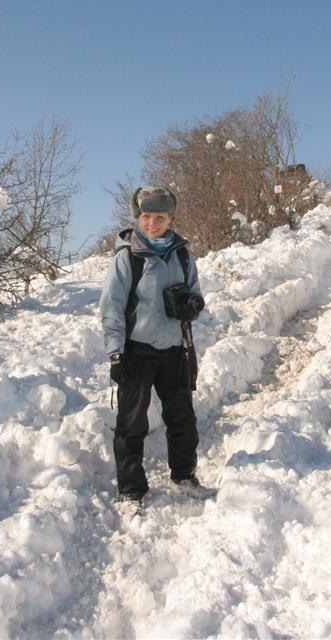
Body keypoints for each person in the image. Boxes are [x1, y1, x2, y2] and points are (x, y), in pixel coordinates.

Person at [99, 186, 207, 510]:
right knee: (131, 425)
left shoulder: (183, 255)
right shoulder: (128, 258)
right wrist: (116, 353)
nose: (152, 223)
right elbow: (111, 307)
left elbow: (196, 293)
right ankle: (131, 491)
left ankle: (184, 476)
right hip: (136, 352)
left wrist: (191, 304)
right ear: (138, 217)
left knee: (182, 419)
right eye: (146, 216)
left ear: (171, 218)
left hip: (173, 349)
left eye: (160, 217)